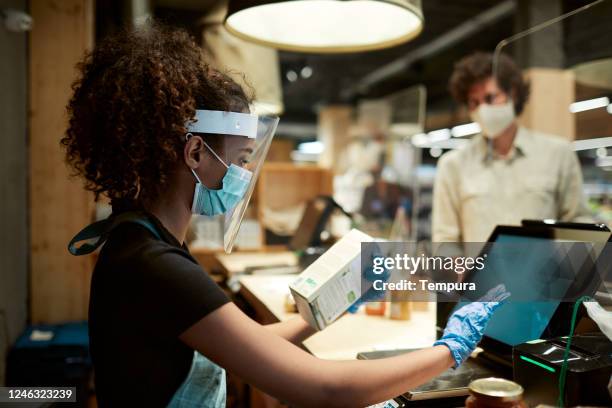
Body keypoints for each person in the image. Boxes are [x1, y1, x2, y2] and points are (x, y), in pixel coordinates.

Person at [62, 23, 504, 407]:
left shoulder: (144, 241)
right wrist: (451, 349)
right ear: (196, 152)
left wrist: (329, 308)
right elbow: (325, 390)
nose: (245, 174)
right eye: (242, 157)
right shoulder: (152, 264)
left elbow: (245, 348)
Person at [432, 52, 592, 243]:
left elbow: (579, 222)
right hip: (481, 272)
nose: (483, 109)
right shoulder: (452, 165)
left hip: (544, 271)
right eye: (474, 103)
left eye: (491, 98)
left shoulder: (557, 154)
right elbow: (445, 239)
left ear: (513, 94)